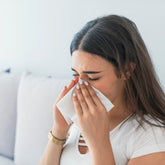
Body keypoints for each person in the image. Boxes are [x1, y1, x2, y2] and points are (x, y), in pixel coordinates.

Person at [39, 14, 165, 165]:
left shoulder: (152, 136)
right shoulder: (79, 120)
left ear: (127, 70)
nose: (81, 86)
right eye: (76, 75)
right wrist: (58, 131)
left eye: (93, 77)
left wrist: (99, 143)